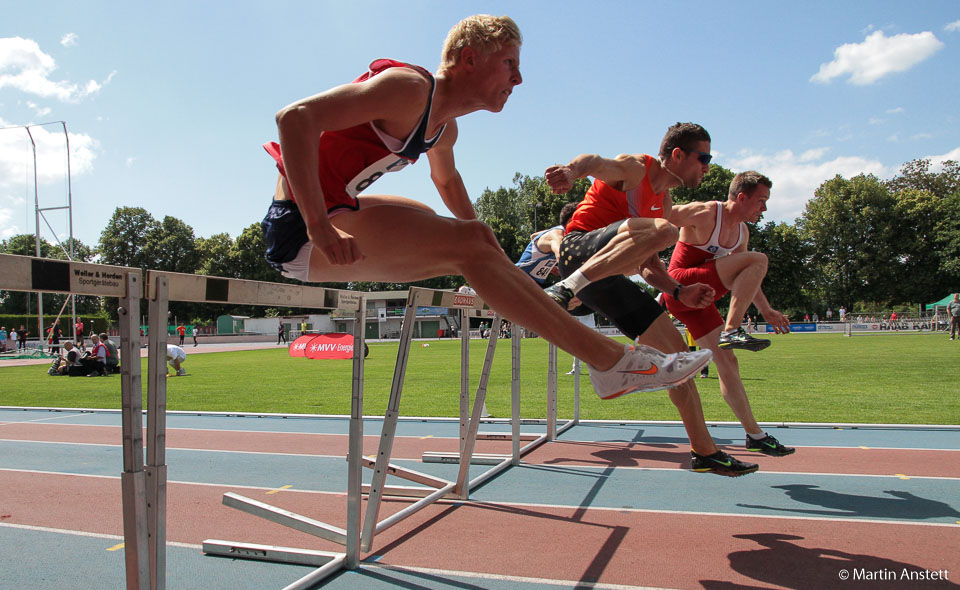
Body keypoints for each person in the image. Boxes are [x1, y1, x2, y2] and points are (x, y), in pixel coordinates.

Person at [258, 15, 709, 402]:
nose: (518, 79)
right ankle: (610, 361)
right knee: (468, 241)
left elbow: (447, 180)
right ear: (469, 57)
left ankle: (599, 357)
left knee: (474, 237)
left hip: (336, 210)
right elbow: (294, 118)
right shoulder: (409, 89)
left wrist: (486, 248)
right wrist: (319, 226)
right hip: (301, 231)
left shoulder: (444, 129)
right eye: (510, 63)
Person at [543, 122, 755, 476]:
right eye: (704, 158)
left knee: (680, 363)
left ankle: (705, 452)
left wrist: (678, 291)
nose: (708, 167)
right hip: (577, 251)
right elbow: (594, 161)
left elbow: (649, 267)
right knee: (666, 231)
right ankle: (567, 288)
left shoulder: (663, 203)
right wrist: (570, 171)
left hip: (604, 277)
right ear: (677, 154)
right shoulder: (636, 169)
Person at [662, 171, 794, 456]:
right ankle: (732, 330)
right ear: (742, 197)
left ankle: (755, 434)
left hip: (701, 302)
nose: (765, 208)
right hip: (680, 286)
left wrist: (767, 310)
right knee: (759, 259)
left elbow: (746, 276)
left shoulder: (742, 233)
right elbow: (661, 213)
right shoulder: (707, 212)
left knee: (728, 362)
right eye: (761, 201)